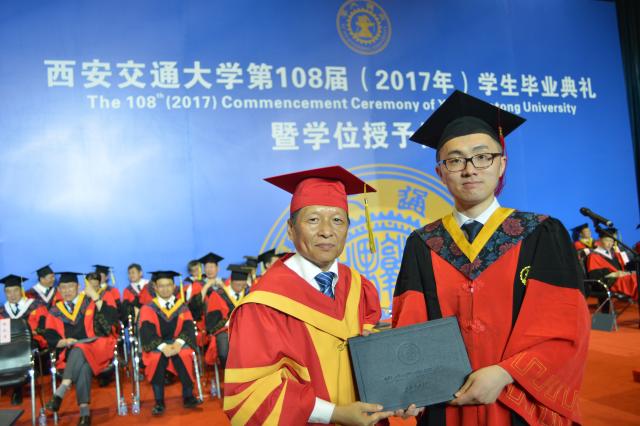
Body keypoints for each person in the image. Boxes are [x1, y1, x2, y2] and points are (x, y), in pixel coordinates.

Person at [391, 90, 590, 426]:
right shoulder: (423, 243)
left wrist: (504, 373)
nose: (470, 169)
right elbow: (410, 321)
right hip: (446, 404)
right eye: (455, 160)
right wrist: (407, 384)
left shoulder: (540, 234)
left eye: (482, 157)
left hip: (517, 401)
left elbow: (565, 324)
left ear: (502, 165)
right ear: (440, 172)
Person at [223, 165, 390, 425]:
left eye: (338, 220)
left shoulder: (360, 288)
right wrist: (334, 414)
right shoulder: (263, 305)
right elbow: (248, 395)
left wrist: (397, 394)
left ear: (348, 228)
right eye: (313, 220)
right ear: (291, 229)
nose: (327, 231)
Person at [44, 272, 118, 426]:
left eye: (70, 287)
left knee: (79, 346)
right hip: (73, 355)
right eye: (63, 288)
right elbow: (50, 335)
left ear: (78, 287)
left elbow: (111, 318)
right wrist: (64, 342)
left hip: (96, 348)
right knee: (83, 365)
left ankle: (62, 389)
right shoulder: (55, 311)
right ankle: (85, 414)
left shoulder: (89, 302)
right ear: (59, 290)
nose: (67, 291)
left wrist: (95, 296)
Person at [139, 271, 201, 416]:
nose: (165, 289)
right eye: (161, 286)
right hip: (157, 345)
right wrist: (163, 347)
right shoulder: (148, 308)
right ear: (155, 287)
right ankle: (159, 402)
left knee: (185, 354)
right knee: (156, 358)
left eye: (168, 285)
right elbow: (147, 331)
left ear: (174, 286)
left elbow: (188, 327)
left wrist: (178, 343)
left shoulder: (182, 307)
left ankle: (188, 396)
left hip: (178, 343)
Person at [0, 274, 48, 405]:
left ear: (21, 290)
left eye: (15, 290)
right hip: (9, 345)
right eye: (8, 292)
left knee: (23, 349)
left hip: (32, 342)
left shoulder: (36, 305)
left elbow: (44, 327)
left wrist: (34, 332)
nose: (12, 295)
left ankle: (18, 388)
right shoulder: (2, 311)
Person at [203, 264, 251, 367]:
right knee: (224, 353)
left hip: (247, 329)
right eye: (238, 284)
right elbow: (212, 322)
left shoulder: (249, 294)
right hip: (225, 331)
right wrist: (229, 321)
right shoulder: (218, 295)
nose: (241, 287)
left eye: (243, 285)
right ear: (231, 281)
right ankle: (230, 374)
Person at [586, 227, 638, 300]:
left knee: (636, 277)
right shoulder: (593, 256)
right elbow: (595, 277)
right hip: (607, 282)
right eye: (607, 240)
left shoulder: (614, 255)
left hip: (620, 279)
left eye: (612, 241)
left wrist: (627, 273)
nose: (610, 243)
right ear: (599, 240)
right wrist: (615, 274)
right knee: (634, 280)